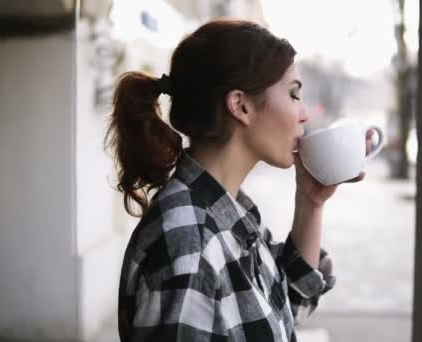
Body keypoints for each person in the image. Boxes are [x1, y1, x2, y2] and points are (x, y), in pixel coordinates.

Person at [106, 18, 372, 342]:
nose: (305, 114)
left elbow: (291, 302)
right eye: (293, 94)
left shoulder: (228, 214)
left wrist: (311, 201)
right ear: (240, 106)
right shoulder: (189, 246)